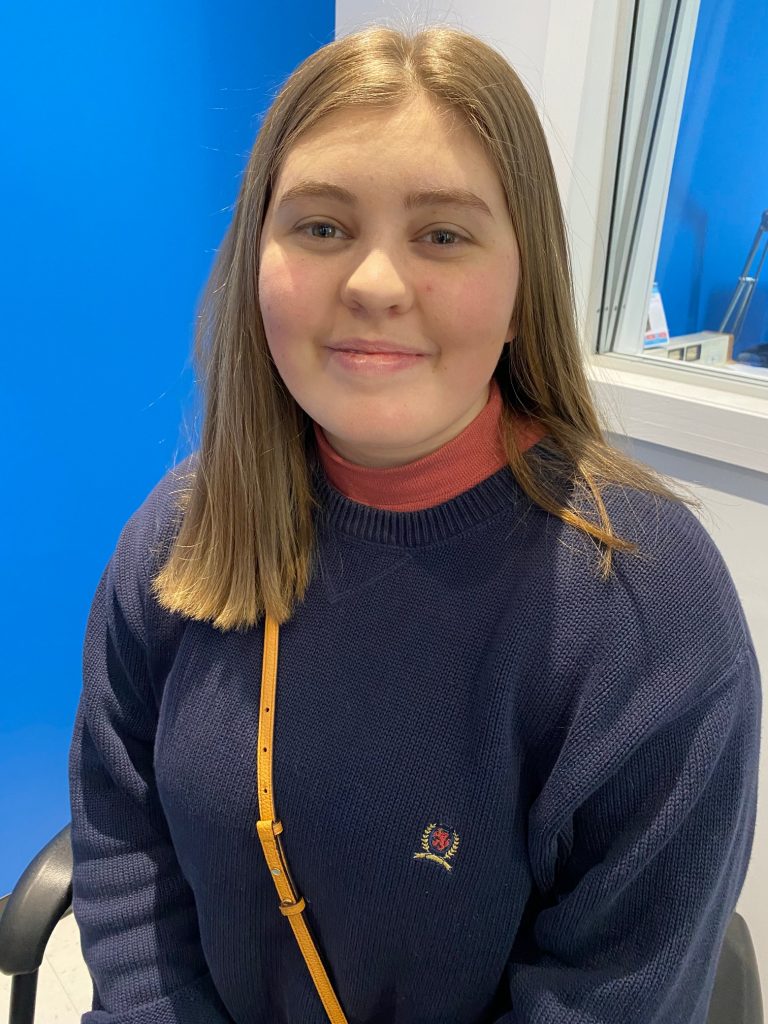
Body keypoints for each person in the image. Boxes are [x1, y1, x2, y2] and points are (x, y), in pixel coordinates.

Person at [68, 22, 761, 1024]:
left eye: (442, 235)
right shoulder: (177, 536)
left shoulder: (649, 613)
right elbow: (125, 851)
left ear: (523, 291)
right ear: (256, 261)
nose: (374, 285)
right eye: (321, 227)